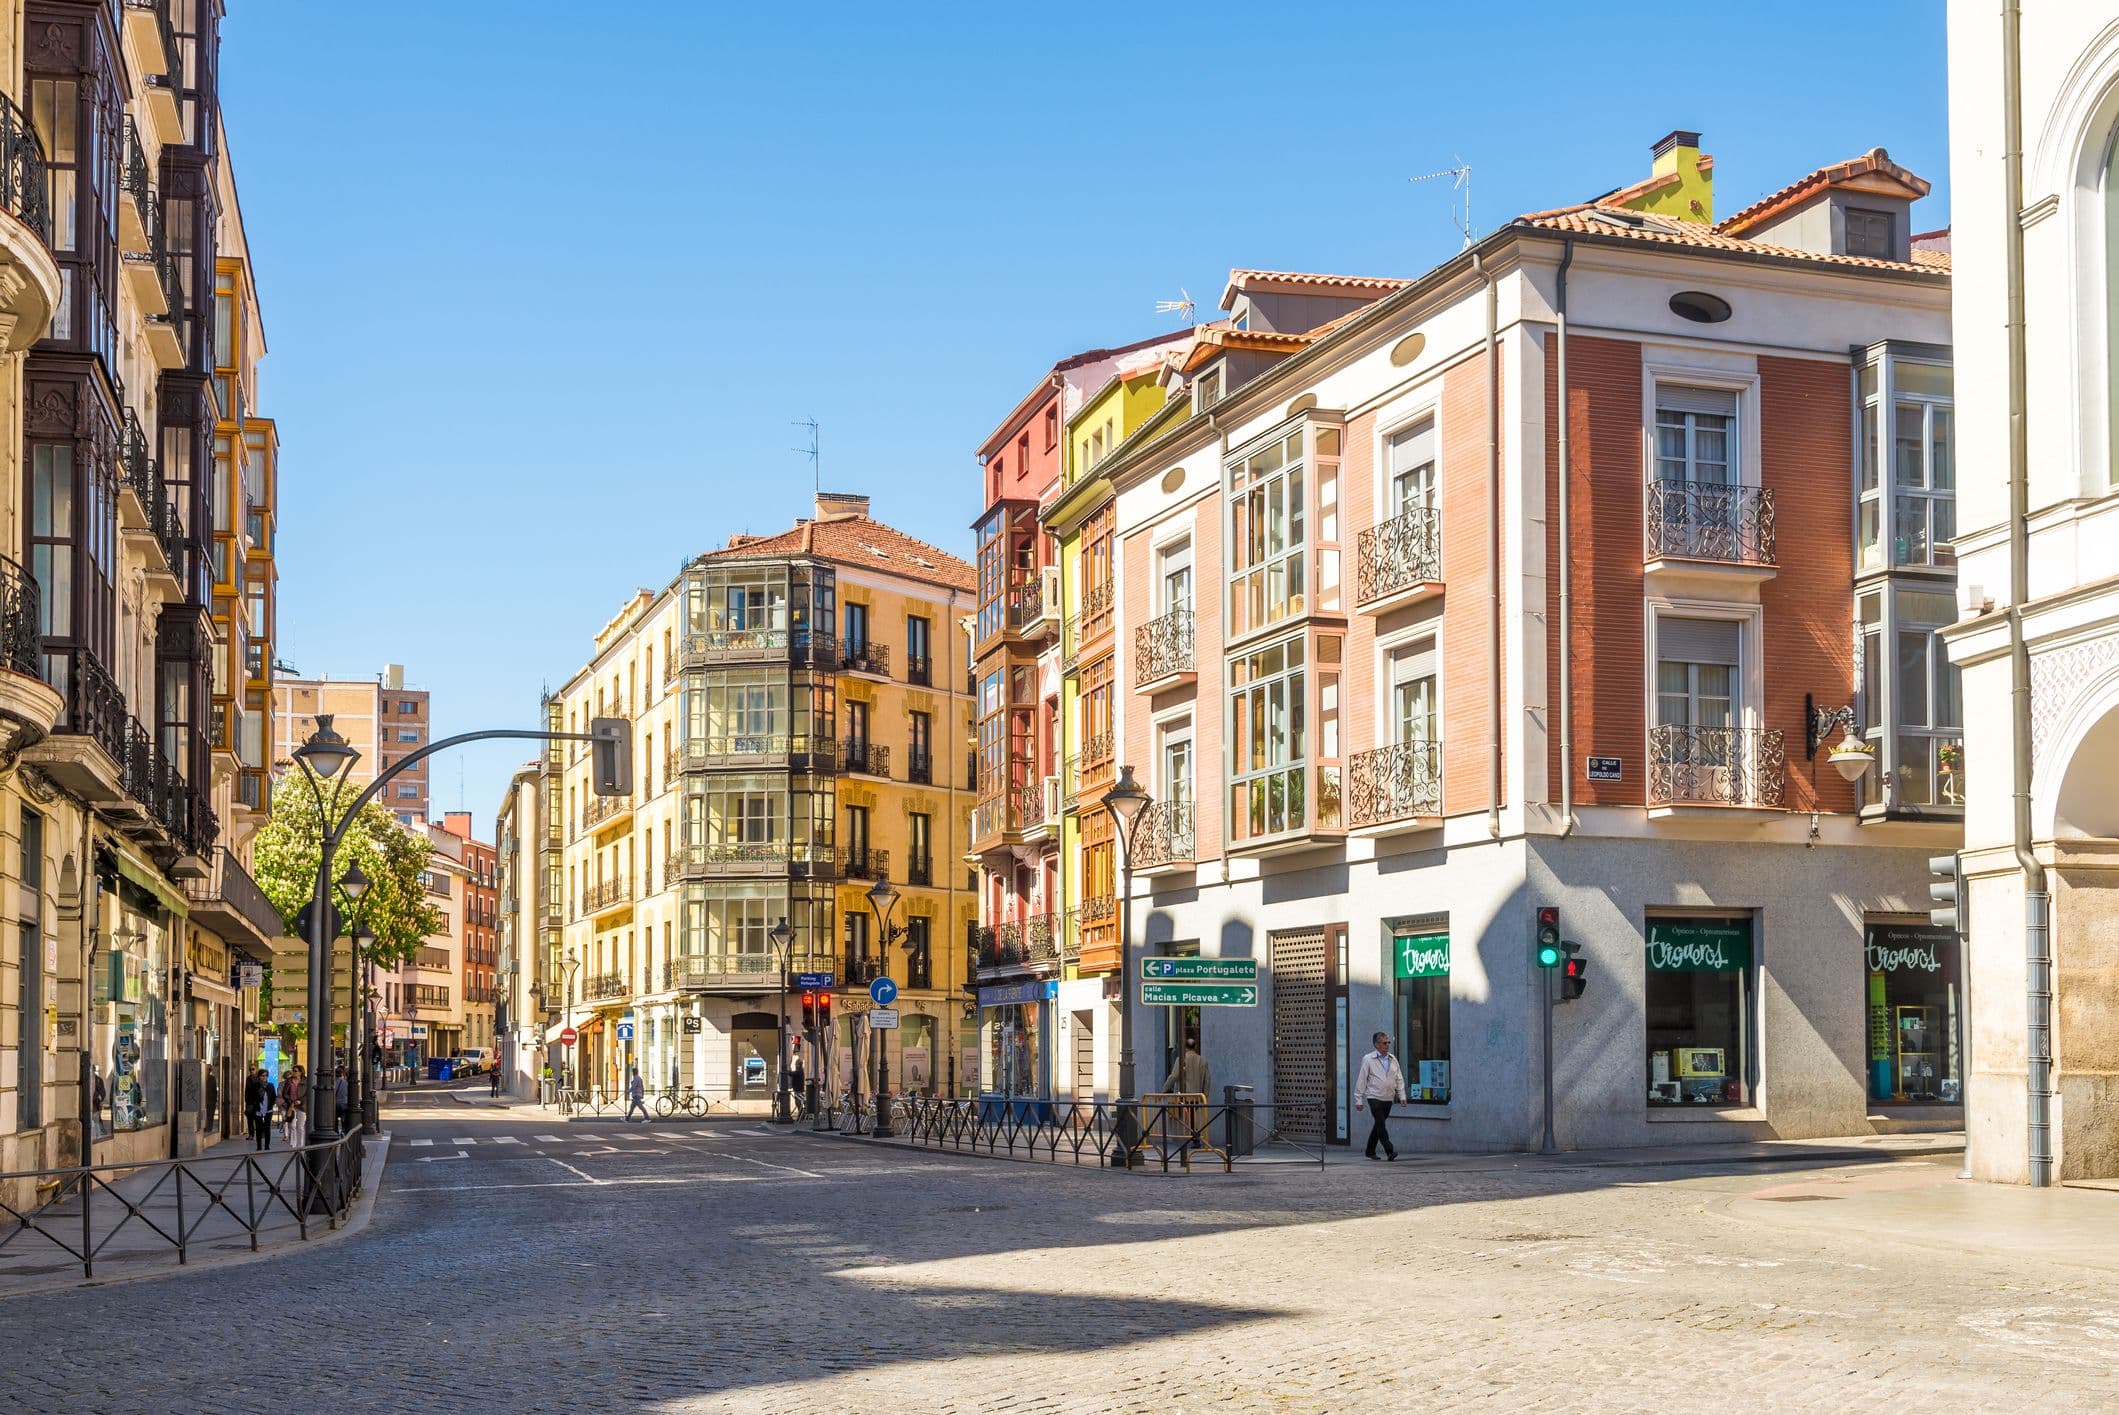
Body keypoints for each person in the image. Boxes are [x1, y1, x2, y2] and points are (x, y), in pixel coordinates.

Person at [1352, 1031, 1408, 1161]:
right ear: (1376, 1044)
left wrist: (1402, 1096)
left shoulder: (1393, 1059)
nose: (1387, 1045)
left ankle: (1370, 1151)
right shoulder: (1368, 1059)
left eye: (1388, 1042)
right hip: (1374, 1096)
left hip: (1388, 1097)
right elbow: (1362, 1079)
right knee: (1381, 1124)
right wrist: (1358, 1099)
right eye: (1384, 1043)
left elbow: (1399, 1079)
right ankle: (1389, 1150)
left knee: (1378, 1124)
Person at [1161, 1036, 1212, 1158]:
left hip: (1184, 1095)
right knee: (1194, 1117)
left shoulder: (1181, 1059)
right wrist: (1205, 1095)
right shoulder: (1202, 1060)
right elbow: (1207, 1079)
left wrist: (1164, 1090)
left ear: (1185, 1048)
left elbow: (1174, 1076)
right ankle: (1195, 1138)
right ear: (1195, 1047)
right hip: (1197, 1095)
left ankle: (1189, 1137)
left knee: (1186, 1117)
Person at [245, 1067, 274, 1151]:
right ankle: (259, 1146)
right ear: (259, 1076)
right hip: (258, 1109)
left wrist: (271, 1105)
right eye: (262, 1076)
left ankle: (267, 1146)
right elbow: (251, 1097)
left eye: (266, 1076)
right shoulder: (255, 1086)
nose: (264, 1077)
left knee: (267, 1127)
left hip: (268, 1110)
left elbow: (273, 1097)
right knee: (258, 1128)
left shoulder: (270, 1086)